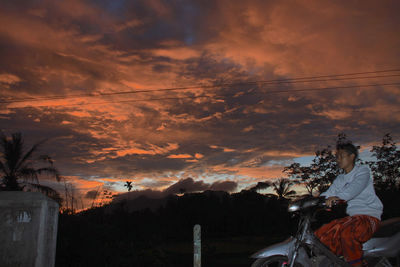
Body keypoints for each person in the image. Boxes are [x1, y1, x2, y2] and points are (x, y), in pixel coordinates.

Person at [315, 142, 383, 267]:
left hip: (369, 217)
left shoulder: (362, 171)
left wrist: (338, 197)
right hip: (352, 219)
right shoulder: (340, 179)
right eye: (337, 156)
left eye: (341, 156)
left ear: (352, 157)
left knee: (347, 233)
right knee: (321, 234)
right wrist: (312, 201)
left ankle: (356, 264)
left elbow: (354, 188)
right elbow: (329, 193)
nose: (338, 159)